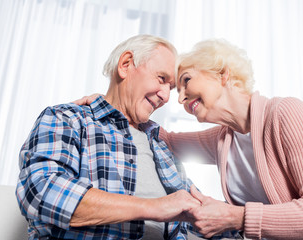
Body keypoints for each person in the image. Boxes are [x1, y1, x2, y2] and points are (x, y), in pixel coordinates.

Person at [16, 35, 230, 240]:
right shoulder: (68, 119)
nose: (166, 96)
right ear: (126, 64)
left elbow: (204, 211)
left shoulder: (160, 145)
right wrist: (154, 207)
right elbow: (41, 191)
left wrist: (242, 219)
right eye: (161, 78)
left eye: (170, 88)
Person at [156, 39, 303, 239]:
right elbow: (166, 141)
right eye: (177, 92)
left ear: (223, 74)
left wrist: (235, 216)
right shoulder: (223, 139)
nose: (180, 100)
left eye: (186, 80)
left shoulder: (286, 114)